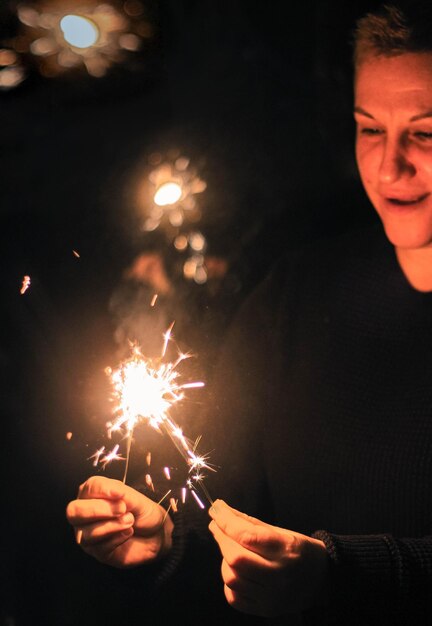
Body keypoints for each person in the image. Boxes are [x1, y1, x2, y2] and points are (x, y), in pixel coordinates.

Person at [66, 2, 432, 624]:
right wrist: (164, 540)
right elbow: (222, 494)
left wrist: (341, 574)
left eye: (426, 133)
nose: (389, 164)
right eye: (370, 128)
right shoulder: (295, 295)